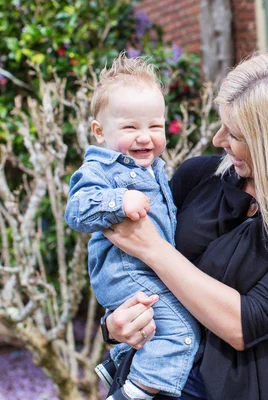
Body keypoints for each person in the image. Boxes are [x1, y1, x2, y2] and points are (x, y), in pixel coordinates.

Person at [101, 51, 268, 400]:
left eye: (235, 133)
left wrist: (155, 249)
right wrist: (114, 324)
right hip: (158, 381)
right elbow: (131, 270)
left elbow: (247, 323)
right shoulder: (197, 178)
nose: (218, 140)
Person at [64, 53, 201, 400]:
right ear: (99, 131)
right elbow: (76, 210)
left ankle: (119, 360)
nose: (145, 137)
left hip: (144, 269)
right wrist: (118, 202)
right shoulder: (101, 168)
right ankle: (134, 393)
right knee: (182, 332)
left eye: (154, 126)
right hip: (125, 273)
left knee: (164, 323)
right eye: (130, 127)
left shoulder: (153, 168)